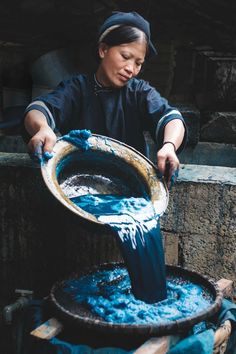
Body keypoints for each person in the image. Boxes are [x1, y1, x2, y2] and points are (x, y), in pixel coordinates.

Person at [22, 11, 187, 188]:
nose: (131, 69)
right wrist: (43, 128)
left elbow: (171, 117)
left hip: (130, 191)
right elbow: (39, 109)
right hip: (78, 186)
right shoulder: (76, 89)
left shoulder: (139, 93)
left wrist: (169, 145)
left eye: (138, 63)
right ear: (103, 50)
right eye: (125, 57)